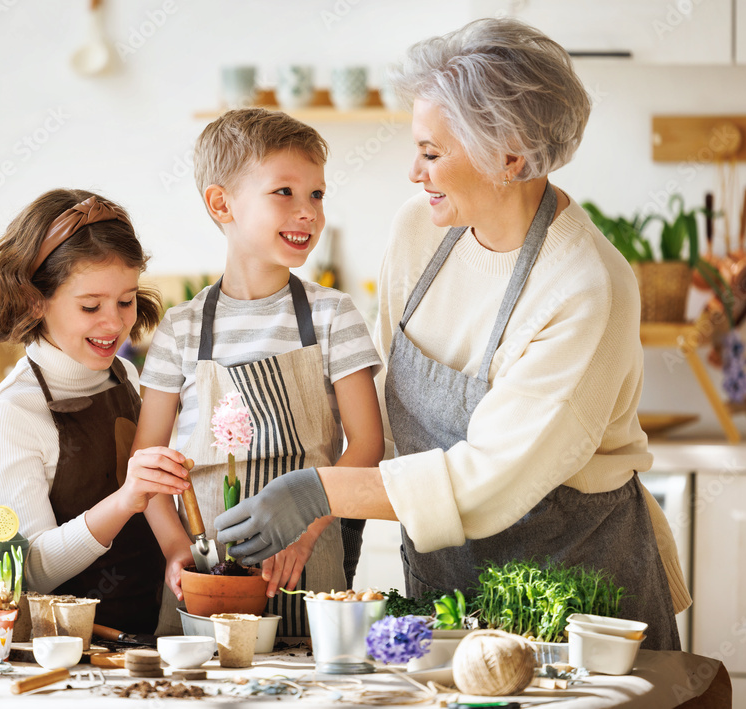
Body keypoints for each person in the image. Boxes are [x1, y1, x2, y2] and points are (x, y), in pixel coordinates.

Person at [214, 18, 690, 651]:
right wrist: (328, 509)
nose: (414, 172)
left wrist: (318, 490)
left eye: (432, 153)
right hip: (449, 585)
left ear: (510, 156)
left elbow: (487, 478)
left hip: (575, 597)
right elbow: (386, 393)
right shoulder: (419, 230)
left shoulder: (585, 286)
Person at [135, 108, 385, 637]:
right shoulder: (180, 330)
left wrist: (308, 527)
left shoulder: (332, 316)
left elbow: (366, 445)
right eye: (284, 193)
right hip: (204, 572)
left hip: (307, 562)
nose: (308, 212)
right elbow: (147, 466)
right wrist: (178, 549)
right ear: (222, 203)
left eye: (316, 195)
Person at [0, 188, 192, 634]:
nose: (114, 324)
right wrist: (125, 500)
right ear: (35, 300)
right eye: (90, 306)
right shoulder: (10, 413)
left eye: (126, 301)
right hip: (72, 651)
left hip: (158, 637)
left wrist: (178, 549)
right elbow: (32, 569)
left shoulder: (127, 377)